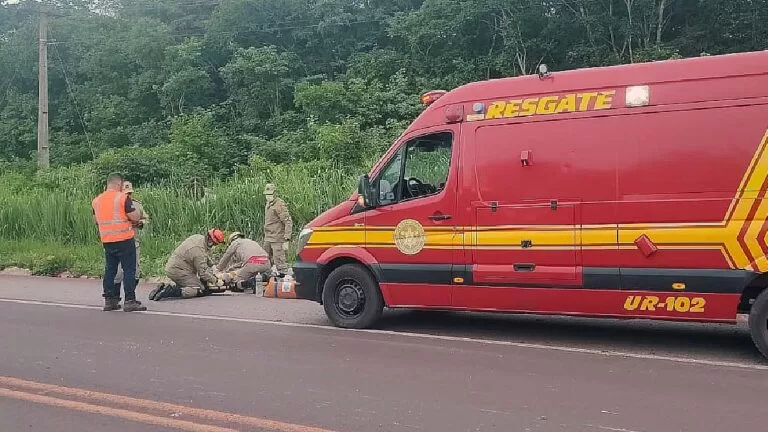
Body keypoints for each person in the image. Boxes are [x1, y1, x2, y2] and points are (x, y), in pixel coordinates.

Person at [91, 173, 146, 312]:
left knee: (110, 269)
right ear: (119, 184)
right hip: (124, 239)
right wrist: (135, 219)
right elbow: (134, 216)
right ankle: (130, 300)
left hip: (107, 240)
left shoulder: (97, 200)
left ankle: (110, 301)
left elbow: (95, 220)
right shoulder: (122, 198)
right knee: (129, 270)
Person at [148, 229, 226, 301]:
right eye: (215, 244)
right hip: (179, 270)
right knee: (199, 289)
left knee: (194, 283)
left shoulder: (198, 238)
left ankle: (163, 288)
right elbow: (203, 273)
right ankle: (171, 292)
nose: (214, 246)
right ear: (210, 240)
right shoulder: (198, 251)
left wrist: (212, 266)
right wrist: (216, 281)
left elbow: (204, 255)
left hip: (174, 266)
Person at [114, 181, 148, 295]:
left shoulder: (136, 205)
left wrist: (140, 223)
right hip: (119, 241)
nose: (128, 196)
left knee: (135, 270)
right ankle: (115, 296)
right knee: (118, 271)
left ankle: (130, 296)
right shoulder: (116, 206)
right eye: (125, 194)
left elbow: (146, 219)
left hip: (134, 240)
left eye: (129, 194)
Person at [263, 183, 293, 276]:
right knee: (264, 260)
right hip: (268, 237)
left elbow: (288, 221)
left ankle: (283, 279)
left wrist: (287, 238)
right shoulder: (268, 203)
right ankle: (266, 278)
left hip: (277, 237)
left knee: (279, 260)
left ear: (274, 194)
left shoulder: (279, 204)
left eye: (270, 194)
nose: (268, 196)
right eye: (267, 195)